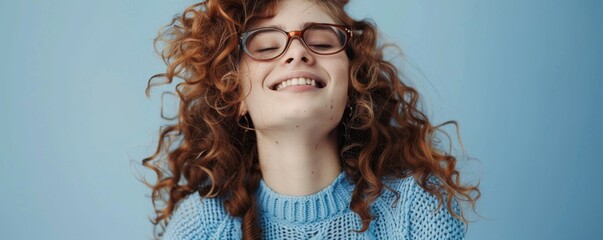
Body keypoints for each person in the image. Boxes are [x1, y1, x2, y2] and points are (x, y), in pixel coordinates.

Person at [143, 0, 480, 239]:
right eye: (265, 46)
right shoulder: (201, 226)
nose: (297, 52)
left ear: (353, 80)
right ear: (234, 95)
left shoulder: (415, 208)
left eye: (320, 40)